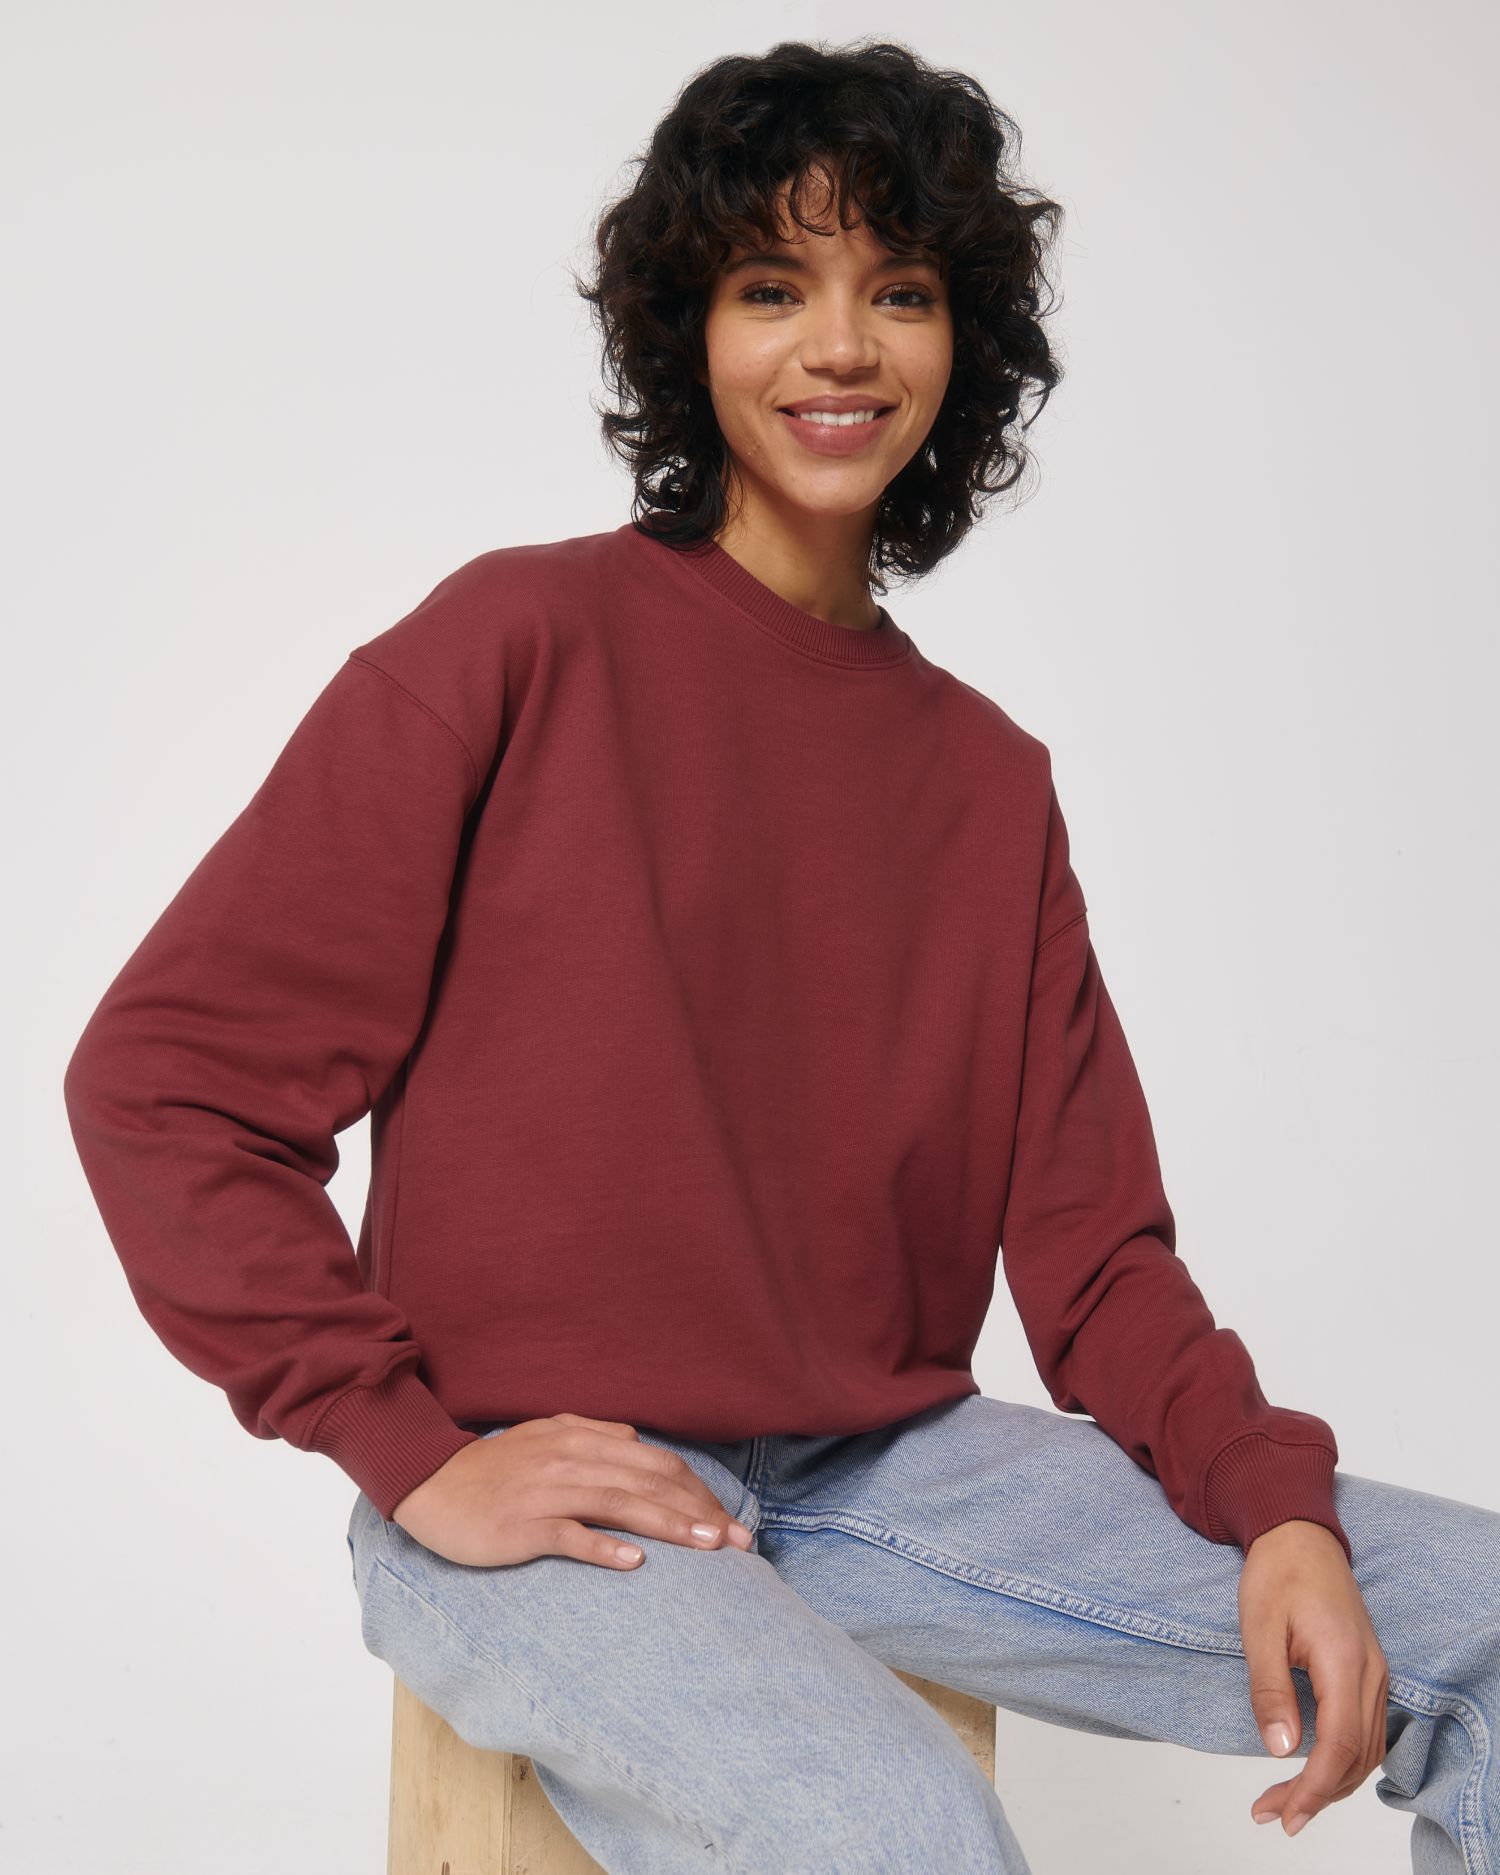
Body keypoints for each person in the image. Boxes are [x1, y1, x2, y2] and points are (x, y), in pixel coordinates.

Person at [62, 37, 1496, 1875]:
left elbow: (1097, 1257)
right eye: (770, 287)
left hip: (886, 1475)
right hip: (544, 1487)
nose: (839, 347)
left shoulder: (988, 782)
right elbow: (167, 1081)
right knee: (902, 1840)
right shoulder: (514, 645)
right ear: (692, 332)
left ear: (961, 343)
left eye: (897, 291)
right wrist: (409, 1449)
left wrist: (1271, 1502)